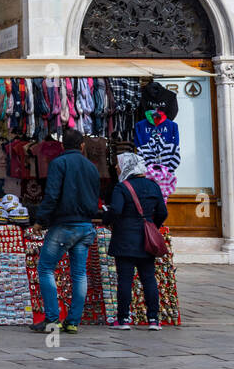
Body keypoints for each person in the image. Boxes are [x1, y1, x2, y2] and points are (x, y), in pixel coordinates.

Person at [29, 128, 101, 335]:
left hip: (64, 225)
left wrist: (40, 221)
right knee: (79, 274)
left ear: (62, 146)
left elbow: (51, 196)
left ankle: (52, 319)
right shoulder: (91, 167)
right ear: (82, 146)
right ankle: (72, 322)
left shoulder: (58, 164)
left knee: (45, 268)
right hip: (85, 226)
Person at [104, 151, 168, 330]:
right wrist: (150, 224)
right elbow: (163, 212)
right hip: (147, 240)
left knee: (125, 279)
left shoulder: (122, 187)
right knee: (148, 278)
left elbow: (116, 209)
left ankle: (123, 319)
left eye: (118, 164)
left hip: (125, 238)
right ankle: (153, 319)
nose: (116, 167)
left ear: (126, 166)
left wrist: (106, 219)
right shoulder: (153, 186)